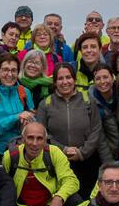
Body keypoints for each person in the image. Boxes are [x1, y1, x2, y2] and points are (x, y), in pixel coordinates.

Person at [37, 63, 103, 196]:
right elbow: (43, 135)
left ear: (74, 79)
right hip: (57, 162)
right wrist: (63, 150)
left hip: (87, 162)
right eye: (60, 78)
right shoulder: (46, 104)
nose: (65, 82)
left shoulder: (88, 101)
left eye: (68, 77)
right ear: (55, 82)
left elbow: (96, 130)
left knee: (86, 201)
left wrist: (82, 152)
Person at [0, 52, 35, 155]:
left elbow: (32, 122)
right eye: (5, 70)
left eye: (14, 70)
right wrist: (16, 117)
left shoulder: (25, 92)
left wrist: (28, 123)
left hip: (20, 151)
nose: (10, 74)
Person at [89, 66, 119, 162]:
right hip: (109, 154)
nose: (102, 82)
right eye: (98, 79)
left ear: (112, 77)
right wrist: (109, 163)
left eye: (105, 77)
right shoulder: (91, 104)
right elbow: (100, 140)